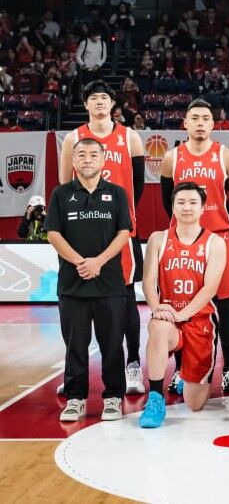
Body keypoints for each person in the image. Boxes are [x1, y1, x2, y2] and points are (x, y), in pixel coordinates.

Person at [59, 81, 146, 396]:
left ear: (112, 104)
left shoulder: (129, 137)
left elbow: (137, 186)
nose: (99, 102)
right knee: (76, 306)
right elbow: (64, 187)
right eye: (93, 97)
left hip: (120, 233)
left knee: (126, 298)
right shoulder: (73, 138)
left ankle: (132, 364)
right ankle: (74, 373)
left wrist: (119, 217)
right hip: (82, 232)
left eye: (104, 97)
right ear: (85, 104)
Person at [160, 98, 229, 394]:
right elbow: (167, 202)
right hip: (183, 240)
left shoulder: (227, 157)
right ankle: (181, 370)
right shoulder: (172, 158)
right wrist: (185, 228)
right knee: (182, 305)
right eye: (194, 118)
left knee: (225, 305)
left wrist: (221, 224)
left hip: (220, 235)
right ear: (185, 123)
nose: (200, 123)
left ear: (213, 124)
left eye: (205, 118)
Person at [45, 138, 133, 422]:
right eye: (81, 154)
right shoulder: (61, 193)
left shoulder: (117, 193)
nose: (87, 159)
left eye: (94, 154)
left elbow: (124, 233)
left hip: (109, 284)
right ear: (73, 161)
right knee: (75, 346)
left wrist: (98, 262)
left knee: (112, 344)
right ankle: (76, 398)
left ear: (103, 160)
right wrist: (80, 262)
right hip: (73, 286)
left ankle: (113, 397)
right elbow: (53, 233)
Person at [138, 182, 226, 428]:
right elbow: (148, 281)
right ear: (173, 207)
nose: (187, 207)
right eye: (181, 202)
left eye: (193, 202)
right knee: (157, 326)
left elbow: (210, 288)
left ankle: (187, 373)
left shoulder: (215, 243)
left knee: (195, 404)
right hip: (168, 318)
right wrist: (157, 308)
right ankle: (155, 397)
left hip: (200, 320)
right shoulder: (158, 239)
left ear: (202, 208)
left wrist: (181, 314)